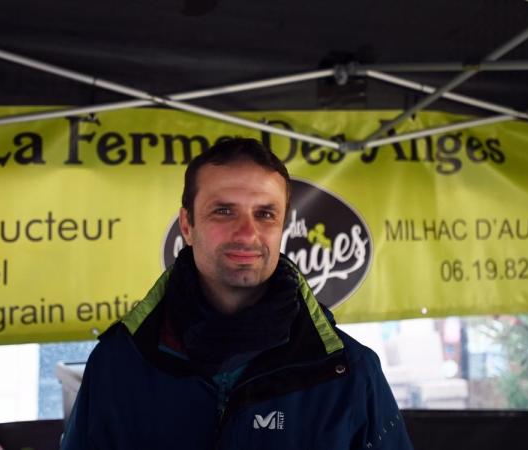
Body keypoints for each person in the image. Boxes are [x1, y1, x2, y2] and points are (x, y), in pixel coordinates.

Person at [60, 138, 414, 450]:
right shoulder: (118, 365)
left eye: (265, 214)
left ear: (282, 228)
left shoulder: (347, 371)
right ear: (187, 225)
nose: (247, 233)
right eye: (224, 211)